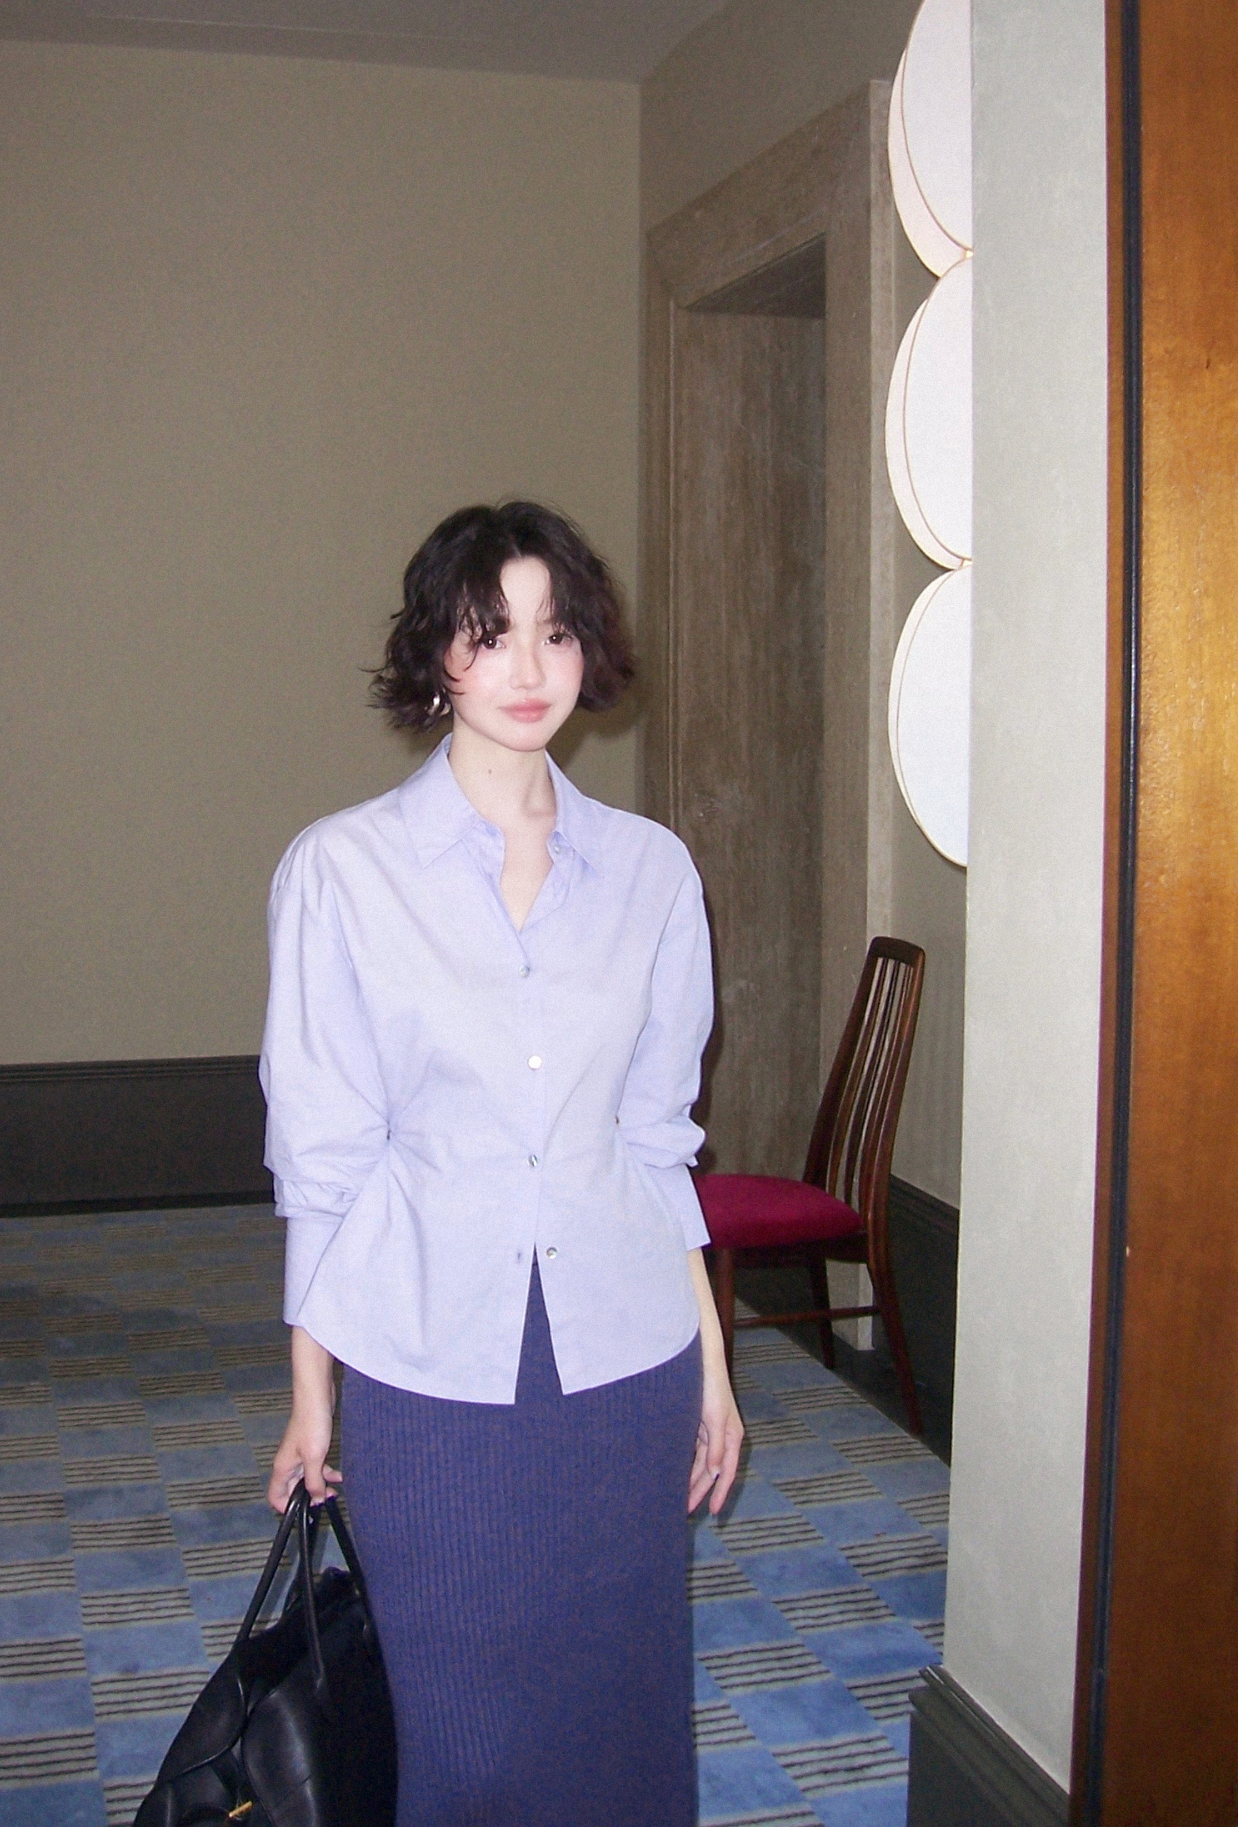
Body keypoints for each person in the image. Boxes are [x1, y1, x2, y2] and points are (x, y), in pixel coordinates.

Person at [260, 500, 743, 1827]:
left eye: (556, 631)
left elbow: (657, 1141)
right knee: (463, 1742)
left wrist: (712, 1368)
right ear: (436, 655)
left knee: (623, 1718)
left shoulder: (653, 873)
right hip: (429, 1367)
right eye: (489, 632)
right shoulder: (343, 873)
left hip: (627, 1364)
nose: (529, 668)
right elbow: (325, 1159)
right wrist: (311, 1394)